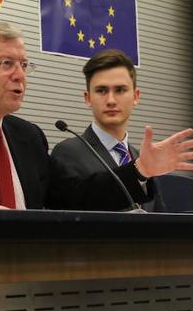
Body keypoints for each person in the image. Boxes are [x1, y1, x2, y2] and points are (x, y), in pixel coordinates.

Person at [0, 20, 193, 210]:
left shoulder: (28, 136)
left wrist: (140, 170)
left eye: (23, 65)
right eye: (6, 64)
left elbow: (73, 198)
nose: (20, 75)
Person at [50, 49, 166, 211]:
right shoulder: (68, 153)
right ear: (88, 98)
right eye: (101, 91)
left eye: (120, 90)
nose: (111, 100)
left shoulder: (142, 158)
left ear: (136, 96)